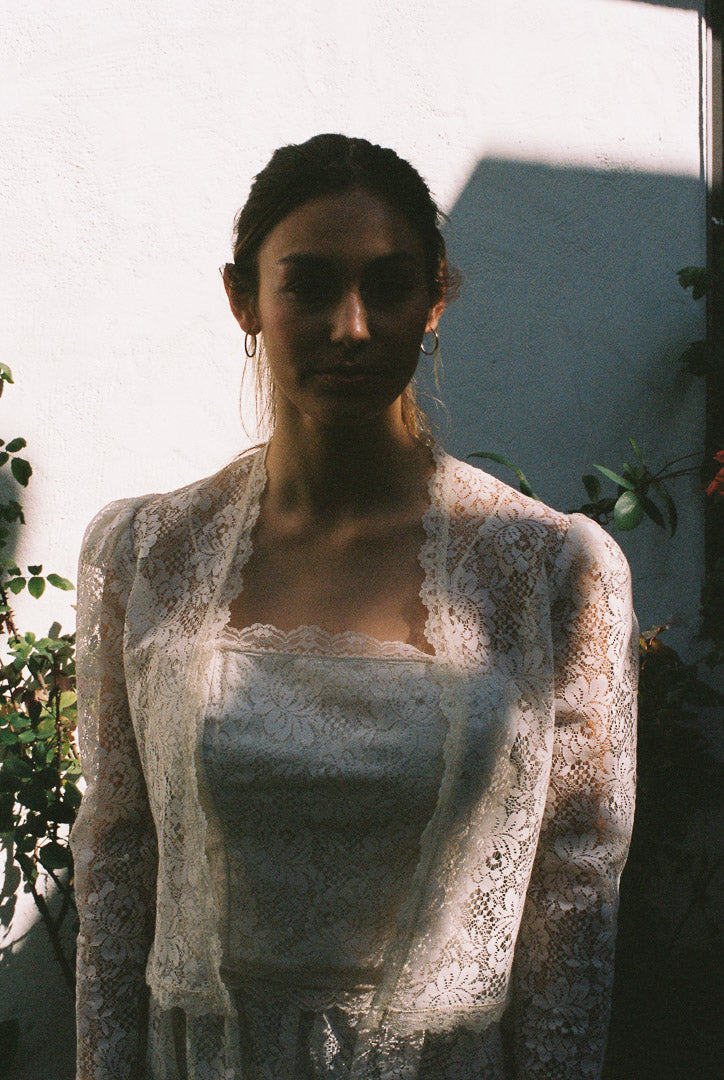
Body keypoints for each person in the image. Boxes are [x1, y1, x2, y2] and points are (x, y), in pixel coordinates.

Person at [71, 134, 637, 1080]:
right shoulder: (146, 556)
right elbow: (118, 867)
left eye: (387, 284)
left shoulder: (550, 571)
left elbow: (572, 912)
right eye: (309, 284)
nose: (352, 326)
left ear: (434, 302)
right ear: (243, 298)